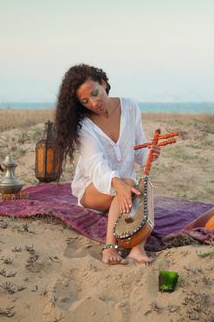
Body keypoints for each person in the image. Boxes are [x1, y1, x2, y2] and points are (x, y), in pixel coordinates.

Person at [54, 64, 160, 265]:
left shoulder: (130, 106)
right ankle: (110, 247)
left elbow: (138, 150)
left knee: (143, 188)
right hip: (93, 187)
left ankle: (137, 249)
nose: (94, 103)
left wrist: (150, 154)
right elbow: (96, 165)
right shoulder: (83, 124)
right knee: (129, 185)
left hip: (125, 185)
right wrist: (119, 185)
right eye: (85, 101)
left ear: (103, 83)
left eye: (95, 93)